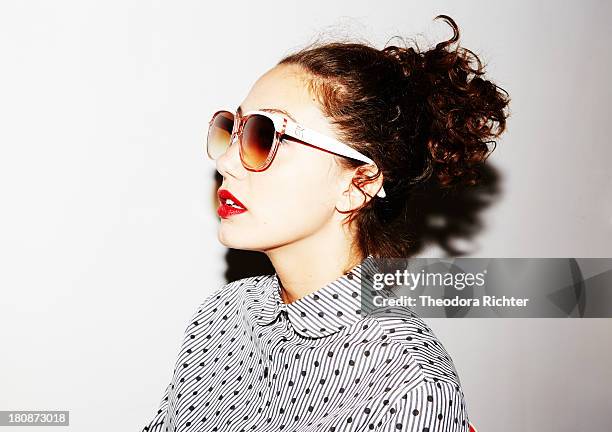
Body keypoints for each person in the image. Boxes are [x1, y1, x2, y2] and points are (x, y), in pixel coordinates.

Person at [141, 14, 509, 432]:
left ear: (358, 184)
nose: (226, 161)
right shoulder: (224, 314)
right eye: (234, 128)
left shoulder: (406, 385)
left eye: (265, 135)